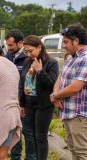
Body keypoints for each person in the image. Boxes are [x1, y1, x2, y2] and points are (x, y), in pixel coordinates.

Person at [51, 23, 87, 160]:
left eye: (66, 42)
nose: (63, 46)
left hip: (80, 115)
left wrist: (55, 96)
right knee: (73, 150)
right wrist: (56, 95)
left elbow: (75, 87)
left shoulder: (85, 58)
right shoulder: (71, 58)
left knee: (82, 152)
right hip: (68, 113)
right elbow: (61, 77)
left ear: (76, 40)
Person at [19, 35, 59, 160]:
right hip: (29, 104)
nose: (28, 54)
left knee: (41, 137)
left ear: (40, 47)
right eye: (26, 51)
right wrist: (22, 104)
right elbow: (22, 84)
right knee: (31, 136)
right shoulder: (27, 62)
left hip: (44, 105)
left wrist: (40, 70)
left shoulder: (51, 63)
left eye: (31, 51)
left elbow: (52, 84)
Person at [5, 29, 35, 160]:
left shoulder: (28, 58)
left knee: (28, 132)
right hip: (10, 101)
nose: (9, 47)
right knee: (13, 131)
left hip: (25, 101)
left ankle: (31, 157)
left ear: (20, 43)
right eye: (7, 45)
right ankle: (15, 157)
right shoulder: (8, 56)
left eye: (11, 45)